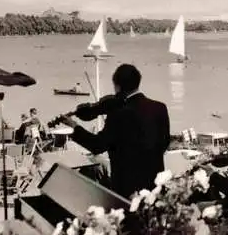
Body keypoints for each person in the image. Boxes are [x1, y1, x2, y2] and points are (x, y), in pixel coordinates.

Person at [60, 64, 171, 198]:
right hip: (155, 184)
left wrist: (74, 126)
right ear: (138, 82)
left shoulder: (118, 114)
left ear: (117, 86)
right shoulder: (160, 108)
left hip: (127, 188)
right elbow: (164, 143)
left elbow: (97, 145)